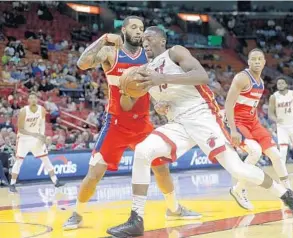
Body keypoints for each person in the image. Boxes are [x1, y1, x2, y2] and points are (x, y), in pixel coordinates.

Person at [106, 26, 293, 237]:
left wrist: (164, 79)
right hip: (179, 124)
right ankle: (136, 219)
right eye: (143, 40)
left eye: (149, 37)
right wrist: (127, 90)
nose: (144, 42)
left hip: (203, 116)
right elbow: (131, 105)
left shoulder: (175, 52)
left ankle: (286, 195)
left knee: (237, 169)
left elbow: (202, 76)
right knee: (142, 151)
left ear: (162, 41)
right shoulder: (146, 71)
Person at [63, 16, 201, 230]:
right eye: (134, 27)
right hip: (115, 124)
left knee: (161, 169)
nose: (139, 31)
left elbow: (154, 85)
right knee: (94, 174)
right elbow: (82, 64)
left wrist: (160, 103)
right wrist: (102, 39)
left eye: (142, 28)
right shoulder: (111, 52)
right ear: (124, 30)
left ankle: (174, 209)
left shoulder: (149, 57)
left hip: (143, 124)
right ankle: (77, 213)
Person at [224, 48, 293, 211]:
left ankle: (290, 195)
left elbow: (251, 107)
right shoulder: (242, 78)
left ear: (264, 62)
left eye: (260, 59)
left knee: (277, 156)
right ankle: (239, 189)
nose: (257, 62)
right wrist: (234, 130)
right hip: (237, 122)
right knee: (255, 151)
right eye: (253, 59)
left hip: (253, 122)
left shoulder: (261, 83)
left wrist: (258, 127)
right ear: (248, 62)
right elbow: (228, 104)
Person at [9, 92, 64, 193]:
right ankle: (12, 184)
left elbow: (42, 125)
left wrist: (42, 137)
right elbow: (20, 129)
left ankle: (55, 181)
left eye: (35, 98)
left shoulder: (41, 109)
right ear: (28, 100)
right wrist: (35, 135)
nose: (33, 100)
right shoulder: (23, 111)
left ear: (37, 99)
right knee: (19, 162)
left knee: (46, 160)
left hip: (36, 139)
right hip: (23, 139)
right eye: (31, 98)